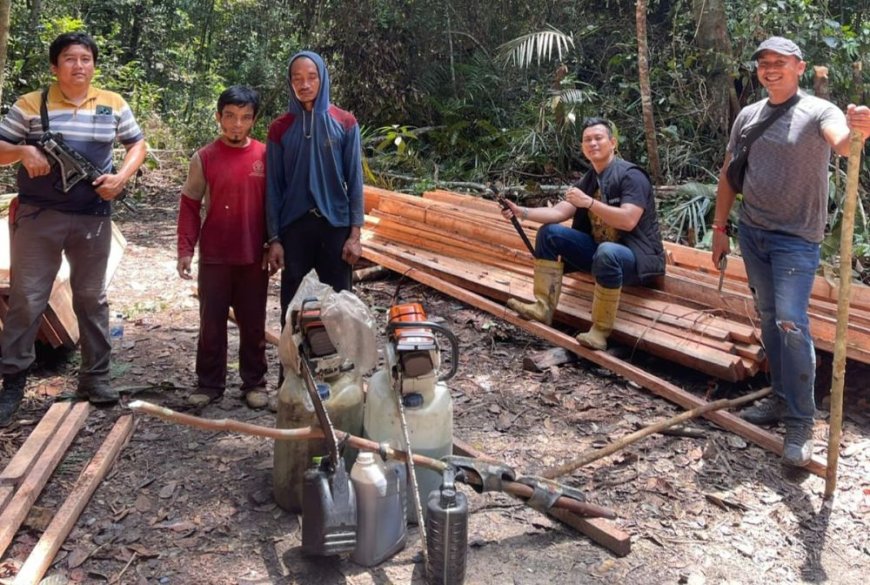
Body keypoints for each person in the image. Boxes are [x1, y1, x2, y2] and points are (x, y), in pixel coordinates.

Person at [711, 36, 870, 467]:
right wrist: (720, 228)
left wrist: (859, 130)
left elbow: (842, 143)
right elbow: (729, 173)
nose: (770, 69)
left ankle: (801, 422)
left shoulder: (819, 110)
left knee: (791, 321)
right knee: (768, 317)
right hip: (753, 232)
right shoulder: (748, 115)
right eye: (763, 62)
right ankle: (781, 398)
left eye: (779, 62)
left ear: (800, 67)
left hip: (797, 238)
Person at [0, 32, 146, 426]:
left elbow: (137, 145)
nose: (78, 65)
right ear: (54, 66)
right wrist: (23, 151)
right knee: (27, 298)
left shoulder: (113, 103)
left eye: (85, 58)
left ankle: (95, 378)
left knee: (91, 298)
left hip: (93, 216)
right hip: (39, 217)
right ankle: (13, 381)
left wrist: (121, 178)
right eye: (69, 58)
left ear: (93, 65)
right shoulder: (30, 104)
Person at [502, 117, 665, 350]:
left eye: (598, 138)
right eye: (587, 140)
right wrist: (522, 212)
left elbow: (628, 220)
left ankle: (599, 331)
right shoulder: (590, 179)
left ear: (612, 143)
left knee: (607, 251)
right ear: (582, 147)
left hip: (636, 259)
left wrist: (589, 203)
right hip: (601, 254)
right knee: (549, 233)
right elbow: (559, 212)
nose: (593, 143)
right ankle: (543, 307)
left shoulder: (631, 175)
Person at [176, 86, 272, 409]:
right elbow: (190, 204)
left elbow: (275, 206)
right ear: (218, 117)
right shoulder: (204, 158)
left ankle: (254, 382)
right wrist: (185, 249)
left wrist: (274, 243)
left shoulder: (265, 156)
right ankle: (209, 383)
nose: (236, 124)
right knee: (212, 322)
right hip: (215, 255)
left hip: (254, 255)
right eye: (230, 116)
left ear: (254, 120)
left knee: (254, 322)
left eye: (245, 117)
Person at [265, 51, 364, 330]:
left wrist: (355, 235)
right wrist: (274, 238)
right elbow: (273, 187)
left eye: (311, 77)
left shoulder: (344, 122)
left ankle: (342, 358)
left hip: (335, 225)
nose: (304, 84)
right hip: (294, 227)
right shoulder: (280, 129)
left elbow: (355, 181)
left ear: (323, 79)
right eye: (297, 78)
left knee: (340, 305)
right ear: (290, 83)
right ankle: (292, 358)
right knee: (293, 308)